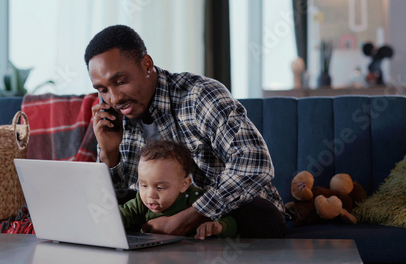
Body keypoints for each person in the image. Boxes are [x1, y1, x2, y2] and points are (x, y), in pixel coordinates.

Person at [87, 25, 286, 238]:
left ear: (147, 65)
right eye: (103, 90)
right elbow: (121, 199)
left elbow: (254, 162)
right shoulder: (113, 118)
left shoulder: (200, 96)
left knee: (257, 213)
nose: (115, 98)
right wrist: (109, 154)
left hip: (229, 217)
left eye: (120, 82)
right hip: (160, 217)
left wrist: (186, 219)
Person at [119, 140, 237, 239]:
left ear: (184, 185)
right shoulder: (140, 202)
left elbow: (232, 224)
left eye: (160, 187)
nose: (150, 195)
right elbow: (119, 215)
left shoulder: (197, 198)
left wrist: (218, 227)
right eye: (144, 185)